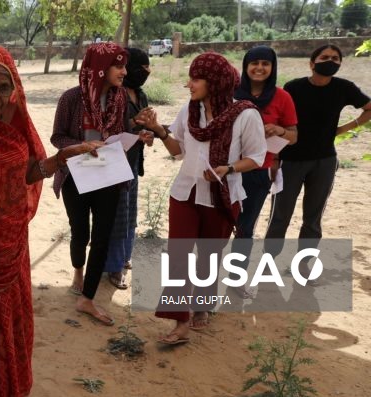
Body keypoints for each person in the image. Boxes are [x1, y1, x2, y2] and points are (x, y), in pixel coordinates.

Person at [0, 45, 99, 397]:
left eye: (3, 88)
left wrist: (63, 159)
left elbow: (29, 174)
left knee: (12, 326)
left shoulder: (17, 130)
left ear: (15, 87)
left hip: (13, 247)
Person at [137, 52, 267, 344]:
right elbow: (178, 150)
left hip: (222, 196)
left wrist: (229, 168)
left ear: (215, 82)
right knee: (179, 257)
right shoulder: (190, 110)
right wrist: (159, 130)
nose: (189, 84)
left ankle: (203, 306)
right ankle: (180, 323)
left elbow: (257, 158)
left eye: (196, 78)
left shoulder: (246, 114)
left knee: (209, 258)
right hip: (185, 192)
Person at [51, 42, 129, 326]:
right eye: (118, 66)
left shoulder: (120, 98)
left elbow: (122, 132)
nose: (124, 71)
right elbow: (58, 138)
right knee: (80, 230)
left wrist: (138, 137)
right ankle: (77, 272)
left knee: (103, 235)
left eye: (124, 65)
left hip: (108, 174)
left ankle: (87, 297)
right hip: (76, 174)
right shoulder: (71, 98)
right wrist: (83, 146)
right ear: (99, 69)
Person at [265, 44, 371, 250]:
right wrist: (275, 159)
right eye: (324, 57)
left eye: (335, 58)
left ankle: (304, 267)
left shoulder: (344, 88)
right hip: (290, 161)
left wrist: (345, 128)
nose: (330, 61)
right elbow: (280, 123)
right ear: (312, 63)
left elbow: (368, 108)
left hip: (324, 161)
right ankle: (269, 264)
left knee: (312, 219)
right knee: (280, 216)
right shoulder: (294, 87)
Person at [230, 46, 297, 295]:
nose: (259, 68)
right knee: (218, 225)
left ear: (273, 67)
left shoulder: (282, 98)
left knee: (245, 228)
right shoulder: (231, 94)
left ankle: (236, 280)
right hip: (227, 169)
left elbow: (294, 137)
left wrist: (279, 130)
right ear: (246, 66)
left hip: (259, 172)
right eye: (254, 63)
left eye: (265, 64)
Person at [104, 47, 154, 290]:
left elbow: (139, 127)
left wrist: (149, 131)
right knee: (117, 215)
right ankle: (114, 267)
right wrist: (135, 124)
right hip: (115, 163)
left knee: (130, 211)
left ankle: (124, 256)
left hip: (133, 161)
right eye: (142, 68)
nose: (146, 73)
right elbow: (112, 129)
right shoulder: (115, 95)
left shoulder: (140, 94)